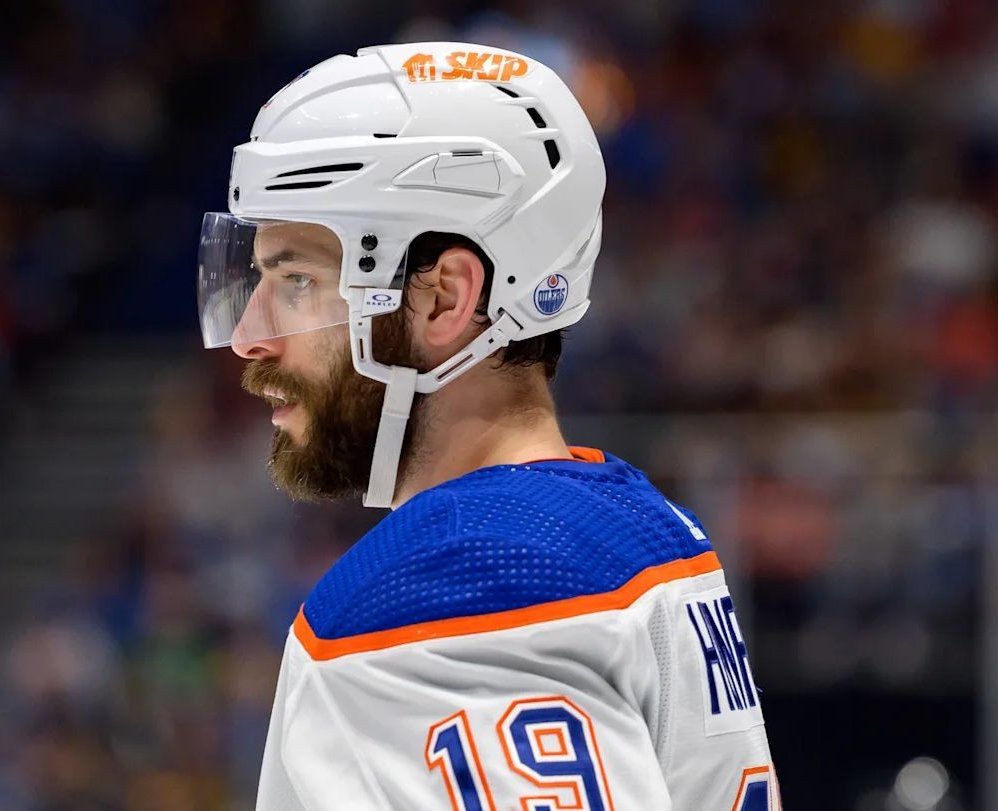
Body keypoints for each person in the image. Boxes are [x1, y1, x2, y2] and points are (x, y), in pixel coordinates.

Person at [196, 41, 778, 810]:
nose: (249, 336)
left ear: (445, 298)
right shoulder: (649, 527)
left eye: (297, 278)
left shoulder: (440, 589)